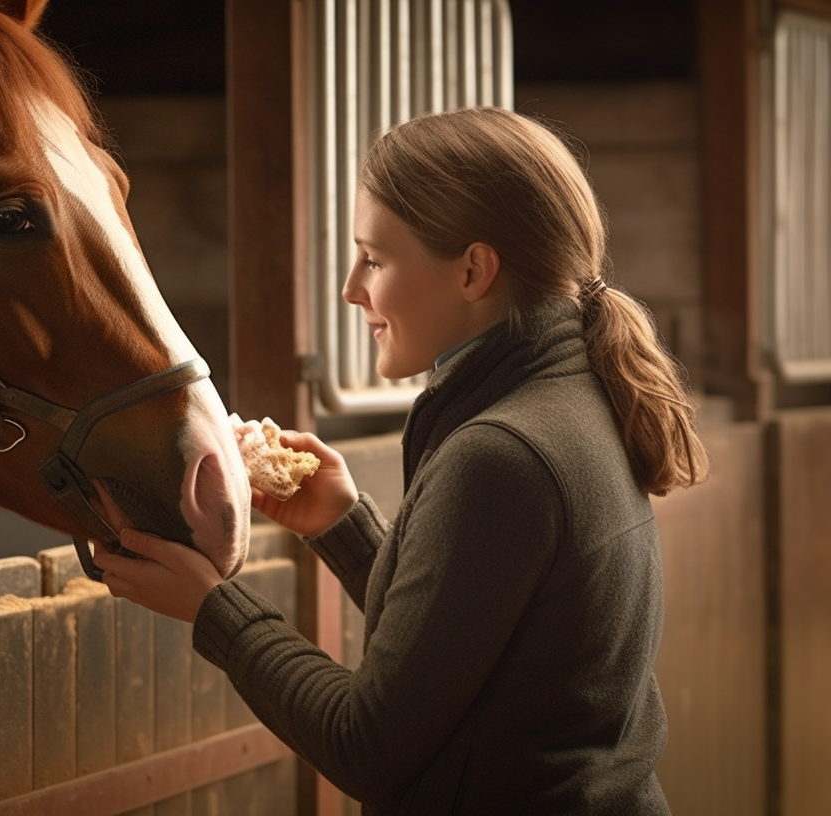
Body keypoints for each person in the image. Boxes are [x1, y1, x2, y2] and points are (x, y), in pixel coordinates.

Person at [92, 106, 709, 815]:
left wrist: (214, 609)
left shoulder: (501, 455)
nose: (353, 289)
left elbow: (368, 746)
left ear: (474, 269)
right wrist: (345, 527)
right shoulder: (572, 400)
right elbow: (478, 648)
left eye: (375, 259)